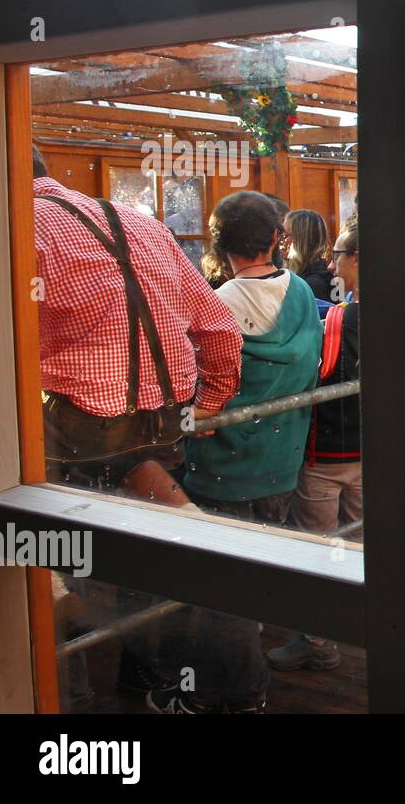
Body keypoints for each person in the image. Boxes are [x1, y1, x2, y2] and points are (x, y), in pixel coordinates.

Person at [33, 145, 243, 700]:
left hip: (71, 438)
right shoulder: (139, 221)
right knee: (146, 558)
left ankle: (65, 696)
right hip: (161, 428)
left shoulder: (18, 227)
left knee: (56, 569)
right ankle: (143, 676)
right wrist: (210, 407)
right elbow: (220, 329)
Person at [154, 191, 322, 714]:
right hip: (281, 464)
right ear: (277, 237)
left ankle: (237, 696)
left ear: (217, 241)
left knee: (225, 595)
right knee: (252, 582)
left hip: (222, 468)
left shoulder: (217, 302)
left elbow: (192, 381)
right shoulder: (299, 293)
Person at [266, 216, 362, 674]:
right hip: (374, 450)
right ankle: (363, 619)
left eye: (340, 254)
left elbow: (321, 375)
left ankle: (319, 643)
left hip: (330, 452)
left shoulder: (342, 316)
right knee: (360, 539)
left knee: (317, 546)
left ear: (359, 260)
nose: (333, 261)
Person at [284, 209, 333, 301]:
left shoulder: (314, 283)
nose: (283, 241)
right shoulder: (303, 276)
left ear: (302, 239)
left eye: (287, 235)